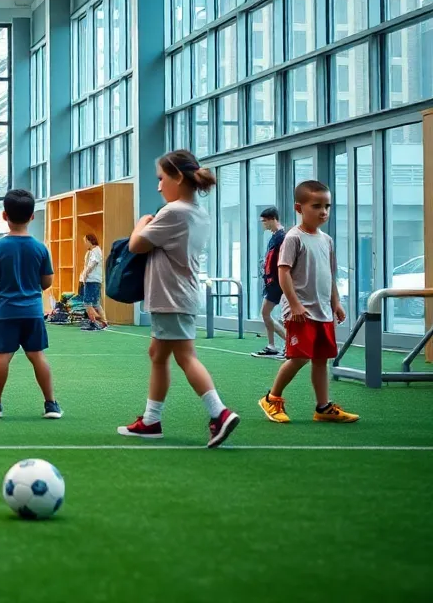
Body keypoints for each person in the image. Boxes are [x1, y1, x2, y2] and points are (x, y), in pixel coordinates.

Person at [117, 149, 240, 449]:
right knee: (158, 355)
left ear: (178, 178)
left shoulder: (174, 212)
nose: (158, 186)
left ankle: (218, 412)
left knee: (185, 357)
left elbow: (136, 245)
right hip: (179, 296)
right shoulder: (199, 213)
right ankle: (150, 421)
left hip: (170, 298)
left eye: (161, 179)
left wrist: (140, 224)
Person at [258, 181, 358, 424]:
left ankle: (323, 407)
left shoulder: (327, 240)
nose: (323, 211)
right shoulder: (293, 237)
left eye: (327, 206)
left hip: (322, 311)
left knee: (321, 358)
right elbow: (283, 272)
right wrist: (294, 304)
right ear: (299, 208)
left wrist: (336, 302)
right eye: (316, 206)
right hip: (300, 311)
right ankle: (272, 398)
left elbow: (329, 275)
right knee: (299, 357)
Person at [0, 189, 61, 420]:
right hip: (32, 310)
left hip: (6, 310)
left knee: (3, 355)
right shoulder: (41, 247)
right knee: (37, 355)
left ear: (4, 215)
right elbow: (47, 281)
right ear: (32, 216)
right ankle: (51, 405)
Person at [253, 206, 287, 358]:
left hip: (277, 282)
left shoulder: (282, 237)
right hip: (273, 281)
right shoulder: (275, 236)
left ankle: (286, 344)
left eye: (265, 221)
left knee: (265, 313)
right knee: (266, 313)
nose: (263, 224)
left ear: (273, 219)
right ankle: (273, 345)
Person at [78, 233, 108, 331]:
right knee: (95, 303)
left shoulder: (95, 251)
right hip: (94, 280)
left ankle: (94, 322)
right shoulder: (93, 251)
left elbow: (93, 263)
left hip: (92, 280)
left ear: (90, 240)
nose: (85, 243)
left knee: (87, 302)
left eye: (85, 241)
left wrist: (86, 273)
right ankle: (104, 322)